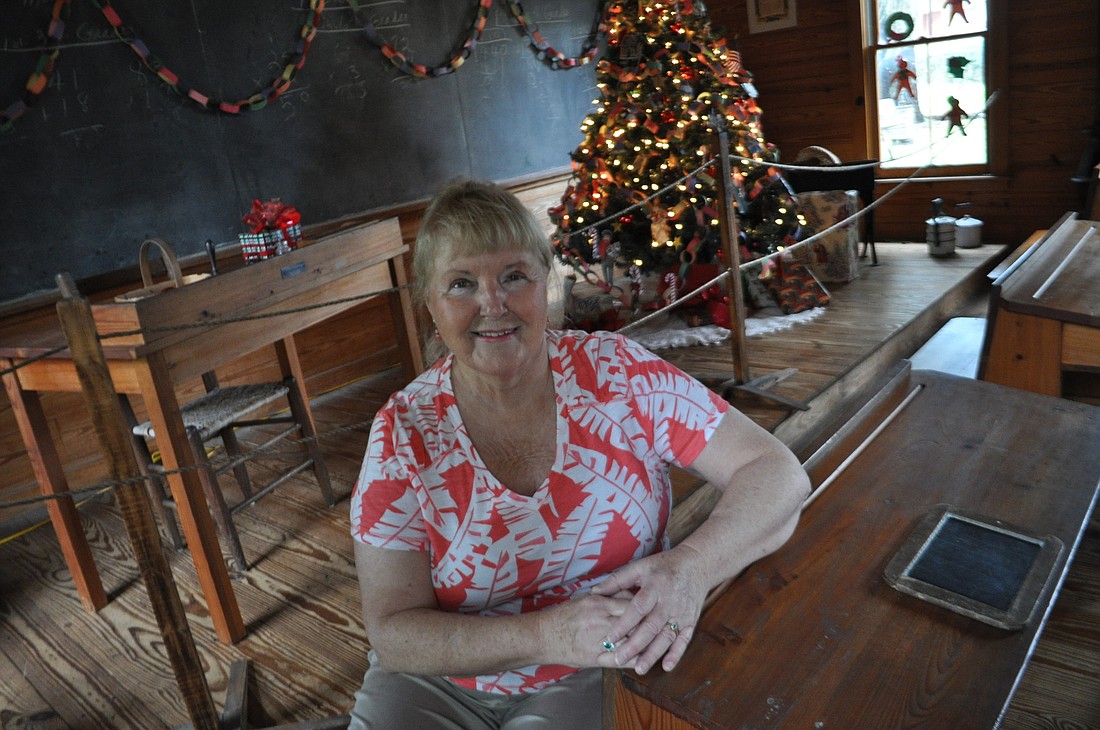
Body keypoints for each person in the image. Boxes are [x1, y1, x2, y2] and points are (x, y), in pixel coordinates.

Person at [348, 179, 810, 729]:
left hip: (602, 662)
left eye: (514, 276)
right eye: (462, 283)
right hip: (441, 679)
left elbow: (777, 472)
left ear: (546, 283)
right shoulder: (402, 433)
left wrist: (692, 567)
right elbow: (394, 632)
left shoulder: (617, 373)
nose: (492, 303)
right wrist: (546, 633)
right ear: (431, 303)